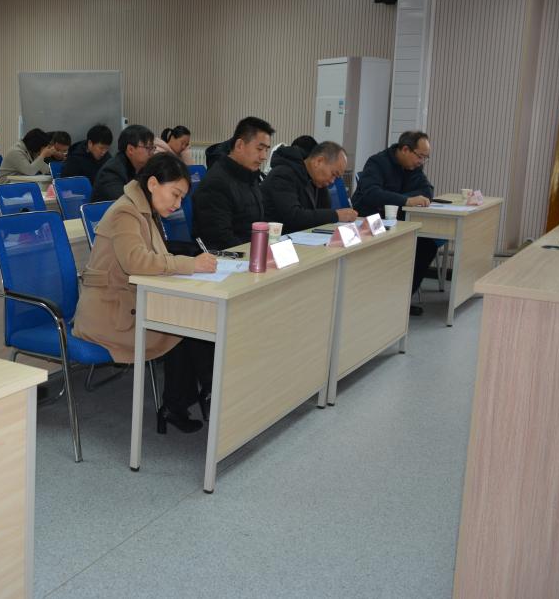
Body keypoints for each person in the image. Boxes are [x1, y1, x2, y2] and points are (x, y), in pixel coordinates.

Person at [75, 153, 217, 433]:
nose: (178, 204)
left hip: (128, 303)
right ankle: (202, 398)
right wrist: (190, 265)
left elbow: (154, 260)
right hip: (109, 316)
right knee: (189, 329)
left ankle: (189, 401)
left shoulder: (143, 209)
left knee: (193, 325)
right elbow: (136, 262)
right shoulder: (125, 212)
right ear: (153, 184)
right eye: (175, 194)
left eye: (181, 198)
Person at [351, 130, 437, 314]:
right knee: (396, 246)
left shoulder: (413, 168)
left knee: (427, 246)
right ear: (405, 149)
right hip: (369, 220)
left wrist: (398, 199)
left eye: (425, 158)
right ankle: (379, 300)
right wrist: (406, 200)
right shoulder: (377, 162)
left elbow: (427, 191)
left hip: (396, 223)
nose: (421, 162)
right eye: (420, 156)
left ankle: (403, 299)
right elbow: (372, 194)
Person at [192, 117, 274, 250]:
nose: (264, 156)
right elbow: (220, 239)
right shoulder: (216, 183)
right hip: (230, 256)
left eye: (266, 150)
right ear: (239, 145)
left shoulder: (249, 176)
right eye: (260, 149)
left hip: (250, 251)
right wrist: (256, 251)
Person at [261, 140, 358, 233]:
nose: (333, 181)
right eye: (333, 174)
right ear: (318, 161)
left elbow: (323, 211)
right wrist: (336, 215)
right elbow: (294, 217)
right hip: (277, 239)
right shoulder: (282, 174)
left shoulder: (316, 180)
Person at [91, 124, 155, 203]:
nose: (152, 153)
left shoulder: (143, 167)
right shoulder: (112, 171)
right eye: (148, 148)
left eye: (153, 148)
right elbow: (125, 201)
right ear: (130, 149)